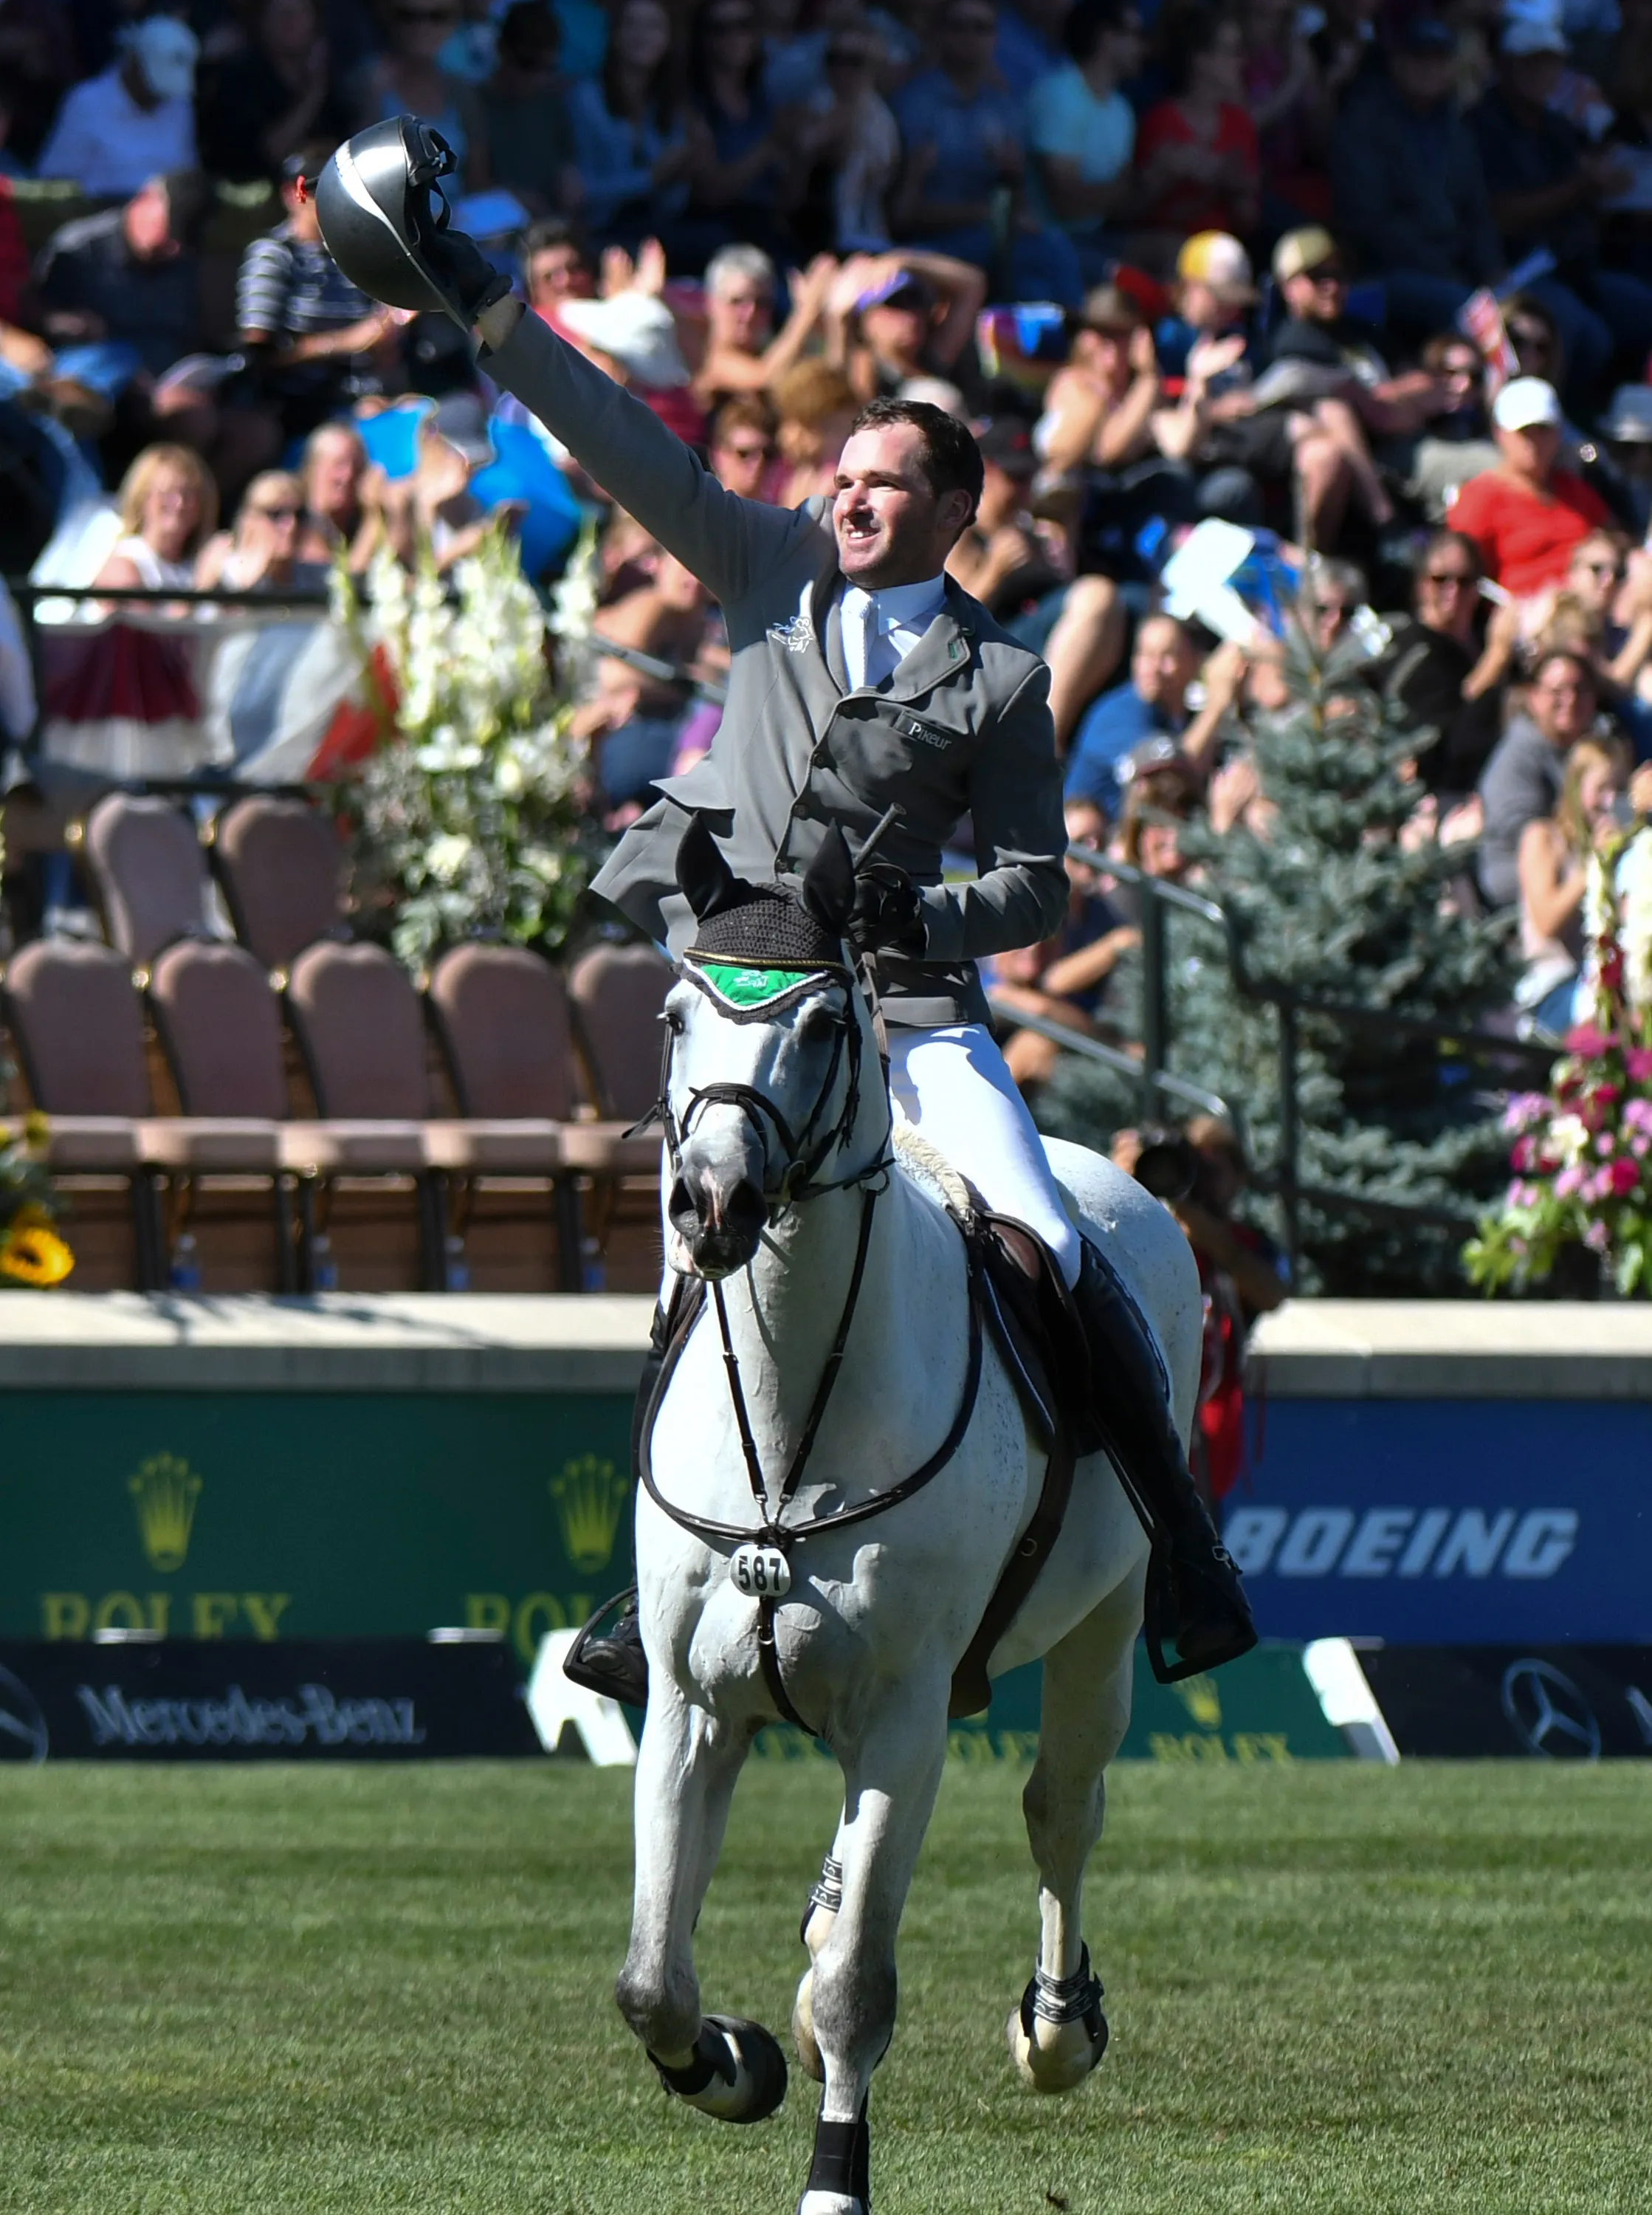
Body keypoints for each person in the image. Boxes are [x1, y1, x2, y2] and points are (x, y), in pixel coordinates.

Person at [314, 126, 1257, 1698]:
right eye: (846, 477)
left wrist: (925, 917)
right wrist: (487, 305)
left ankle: (1182, 1552)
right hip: (753, 1000)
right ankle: (651, 1590)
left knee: (1048, 1240)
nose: (853, 498)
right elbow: (617, 438)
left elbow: (1040, 887)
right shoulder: (764, 564)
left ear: (955, 510)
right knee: (696, 1263)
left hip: (913, 1018)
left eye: (888, 484)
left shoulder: (1000, 678)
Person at [1470, 10, 1652, 406]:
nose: (1541, 74)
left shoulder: (1557, 127)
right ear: (1506, 66)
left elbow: (1586, 203)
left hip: (1576, 269)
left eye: (1550, 63)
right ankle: (1550, 421)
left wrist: (1607, 188)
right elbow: (1501, 213)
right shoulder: (1482, 125)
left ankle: (1621, 417)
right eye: (1530, 63)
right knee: (1584, 332)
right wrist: (1581, 187)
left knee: (1640, 306)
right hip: (1514, 272)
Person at [892, 0, 1084, 303]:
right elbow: (904, 215)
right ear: (940, 34)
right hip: (930, 244)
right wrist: (987, 214)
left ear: (995, 38)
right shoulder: (915, 104)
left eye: (982, 28)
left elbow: (1019, 204)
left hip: (993, 241)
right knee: (1050, 250)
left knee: (1035, 288)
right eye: (959, 27)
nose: (971, 37)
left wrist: (1014, 177)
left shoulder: (1002, 107)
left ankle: (1074, 330)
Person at [1331, 15, 1503, 340]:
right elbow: (1367, 224)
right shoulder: (1365, 123)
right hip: (1385, 274)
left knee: (1538, 312)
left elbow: (1477, 213)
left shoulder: (1456, 128)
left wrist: (1492, 270)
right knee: (1474, 315)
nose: (1429, 69)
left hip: (1454, 272)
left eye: (1439, 59)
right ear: (1397, 63)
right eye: (1419, 58)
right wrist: (1444, 268)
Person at [237, 148, 399, 439]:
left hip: (365, 398)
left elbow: (381, 349)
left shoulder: (356, 254)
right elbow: (258, 359)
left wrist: (387, 338)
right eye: (319, 191)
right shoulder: (274, 254)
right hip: (297, 406)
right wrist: (344, 342)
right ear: (292, 195)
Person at [1447, 374, 1613, 598]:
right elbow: (1459, 571)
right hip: (1524, 609)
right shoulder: (1480, 497)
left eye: (1543, 430)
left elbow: (1614, 538)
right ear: (1499, 433)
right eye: (1524, 432)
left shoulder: (1573, 488)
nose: (1534, 442)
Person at [35, 170, 208, 382]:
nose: (175, 250)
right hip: (98, 374)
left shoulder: (185, 262)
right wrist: (71, 324)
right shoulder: (78, 249)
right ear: (145, 200)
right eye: (170, 231)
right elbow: (37, 317)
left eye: (183, 242)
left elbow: (190, 335)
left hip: (169, 377)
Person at [1515, 730, 1634, 1031]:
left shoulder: (1620, 846)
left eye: (1619, 789)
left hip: (1606, 979)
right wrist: (1593, 863)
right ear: (1576, 786)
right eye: (1601, 788)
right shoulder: (1543, 838)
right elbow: (1547, 922)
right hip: (1552, 989)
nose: (1610, 800)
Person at [1026, 0, 1144, 280]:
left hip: (1099, 236)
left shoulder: (1122, 109)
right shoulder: (1059, 95)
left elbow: (1125, 202)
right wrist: (1126, 189)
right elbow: (1066, 204)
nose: (1143, 46)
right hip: (1045, 241)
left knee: (1172, 253)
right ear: (1106, 38)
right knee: (1130, 279)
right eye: (1136, 34)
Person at [1478, 644, 1600, 906]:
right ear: (1533, 697)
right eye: (1557, 691)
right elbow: (1525, 837)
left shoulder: (1598, 748)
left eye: (1580, 690)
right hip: (1522, 889)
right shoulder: (1516, 758)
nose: (1571, 700)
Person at [567, 0, 692, 247]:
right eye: (632, 25)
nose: (642, 35)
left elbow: (673, 203)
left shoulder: (671, 101)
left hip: (661, 228)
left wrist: (683, 172)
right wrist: (652, 178)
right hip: (600, 230)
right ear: (614, 34)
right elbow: (581, 193)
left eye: (654, 26)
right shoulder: (586, 99)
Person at [1135, 4, 1260, 245]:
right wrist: (1168, 174)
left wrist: (1237, 191)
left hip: (1226, 250)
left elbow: (1248, 222)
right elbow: (1141, 215)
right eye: (1231, 51)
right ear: (1200, 60)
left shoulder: (1240, 123)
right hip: (1167, 250)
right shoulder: (1160, 122)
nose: (1241, 61)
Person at [37, 15, 199, 198]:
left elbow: (187, 172)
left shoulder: (180, 105)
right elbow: (55, 179)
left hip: (169, 211)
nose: (159, 98)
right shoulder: (87, 103)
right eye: (154, 87)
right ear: (135, 64)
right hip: (101, 210)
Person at [195, 0, 352, 185]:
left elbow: (346, 144)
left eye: (301, 12)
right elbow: (265, 154)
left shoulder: (330, 76)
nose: (291, 22)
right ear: (261, 21)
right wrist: (313, 95)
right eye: (281, 14)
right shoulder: (238, 80)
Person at [359, 0, 488, 199]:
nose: (422, 28)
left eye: (437, 17)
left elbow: (477, 179)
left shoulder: (461, 91)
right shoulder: (366, 85)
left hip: (456, 213)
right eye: (408, 16)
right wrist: (372, 101)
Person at [692, 244, 836, 410]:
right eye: (737, 301)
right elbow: (765, 380)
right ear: (711, 303)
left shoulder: (769, 354)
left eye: (762, 303)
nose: (750, 313)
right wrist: (807, 311)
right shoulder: (707, 357)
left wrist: (831, 319)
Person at [481, 0, 579, 216]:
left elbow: (568, 163)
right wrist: (512, 198)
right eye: (527, 64)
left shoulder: (553, 102)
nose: (537, 77)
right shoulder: (475, 104)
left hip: (553, 221)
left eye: (548, 67)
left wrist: (569, 178)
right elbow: (472, 182)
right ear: (501, 49)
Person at [92, 441, 218, 595]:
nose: (179, 503)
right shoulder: (126, 562)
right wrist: (203, 585)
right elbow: (145, 612)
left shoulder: (193, 566)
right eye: (167, 492)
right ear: (144, 498)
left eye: (189, 495)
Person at [196, 467, 328, 592]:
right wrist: (257, 572)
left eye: (299, 514)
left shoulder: (315, 577)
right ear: (251, 519)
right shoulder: (222, 561)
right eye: (276, 514)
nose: (292, 525)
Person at [707, 394, 777, 499]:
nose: (759, 463)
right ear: (718, 457)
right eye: (745, 453)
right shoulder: (699, 507)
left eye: (767, 454)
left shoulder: (782, 506)